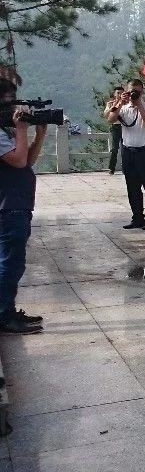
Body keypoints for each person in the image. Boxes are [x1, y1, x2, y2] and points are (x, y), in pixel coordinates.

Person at [0, 80, 48, 334]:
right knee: (9, 263)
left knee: (13, 263)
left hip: (18, 204)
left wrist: (38, 135)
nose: (13, 106)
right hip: (8, 208)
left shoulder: (5, 131)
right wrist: (21, 128)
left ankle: (7, 309)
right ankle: (4, 316)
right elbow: (18, 162)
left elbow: (27, 160)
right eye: (9, 100)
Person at [107, 78, 145, 230]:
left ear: (142, 91)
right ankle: (137, 217)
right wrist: (119, 102)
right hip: (128, 151)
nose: (134, 94)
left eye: (137, 91)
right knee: (132, 186)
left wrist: (139, 107)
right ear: (126, 91)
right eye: (131, 91)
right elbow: (111, 119)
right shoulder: (123, 108)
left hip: (144, 150)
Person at [104, 85, 125, 174]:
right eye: (118, 93)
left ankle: (125, 167)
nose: (120, 95)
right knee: (114, 148)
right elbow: (106, 115)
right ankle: (111, 168)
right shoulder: (110, 104)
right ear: (114, 94)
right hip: (115, 127)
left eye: (121, 93)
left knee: (125, 148)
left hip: (124, 127)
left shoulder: (126, 103)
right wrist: (114, 106)